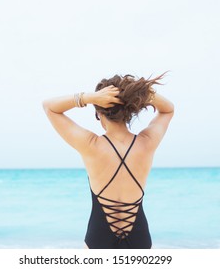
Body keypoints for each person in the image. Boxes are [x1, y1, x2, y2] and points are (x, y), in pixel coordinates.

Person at [42, 73, 174, 249]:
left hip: (99, 236)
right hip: (139, 237)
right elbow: (168, 109)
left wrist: (89, 97)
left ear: (99, 113)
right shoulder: (146, 143)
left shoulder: (90, 144)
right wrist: (137, 93)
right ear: (129, 111)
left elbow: (49, 107)